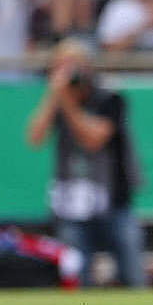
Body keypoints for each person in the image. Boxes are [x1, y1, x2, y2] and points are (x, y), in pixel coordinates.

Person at [25, 40, 144, 288]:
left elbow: (93, 139)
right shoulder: (58, 99)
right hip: (72, 204)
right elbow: (34, 138)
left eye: (73, 65)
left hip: (114, 200)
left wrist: (66, 102)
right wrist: (54, 95)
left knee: (132, 275)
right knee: (78, 277)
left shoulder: (109, 98)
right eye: (61, 66)